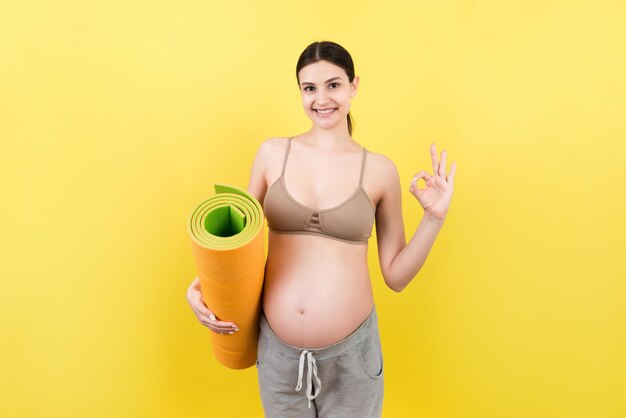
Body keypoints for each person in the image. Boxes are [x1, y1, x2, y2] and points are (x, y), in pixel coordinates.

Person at [186, 40, 456, 417]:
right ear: (300, 92)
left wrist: (434, 218)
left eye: (333, 85)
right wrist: (199, 289)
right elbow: (238, 244)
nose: (321, 99)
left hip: (352, 358)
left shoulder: (380, 171)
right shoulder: (271, 155)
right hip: (279, 355)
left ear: (354, 86)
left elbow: (395, 276)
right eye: (309, 88)